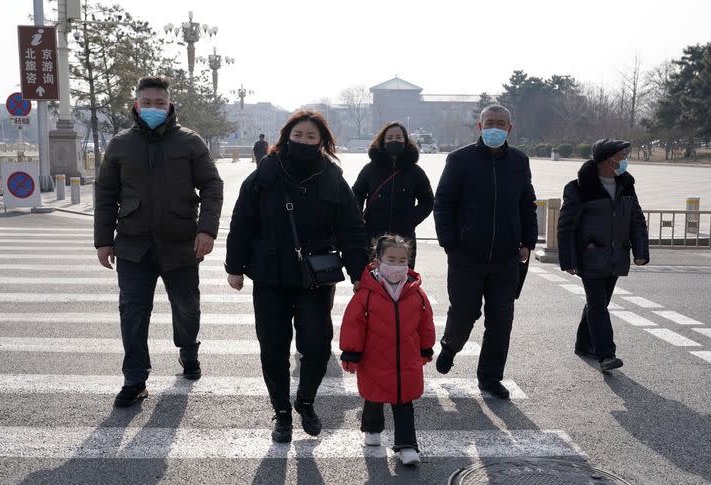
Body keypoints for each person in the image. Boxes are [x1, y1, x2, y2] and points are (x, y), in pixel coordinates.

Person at [225, 110, 368, 443]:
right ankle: (282, 412)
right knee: (273, 348)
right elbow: (242, 221)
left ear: (322, 142)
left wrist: (360, 271)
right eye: (298, 135)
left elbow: (352, 228)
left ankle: (305, 401)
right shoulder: (265, 173)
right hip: (270, 274)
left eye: (311, 137)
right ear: (286, 136)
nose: (304, 141)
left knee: (317, 347)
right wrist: (235, 267)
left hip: (315, 277)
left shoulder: (332, 177)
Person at [94, 75, 224, 407]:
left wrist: (206, 230)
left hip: (181, 243)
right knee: (133, 312)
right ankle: (135, 378)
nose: (154, 108)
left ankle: (188, 350)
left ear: (170, 106)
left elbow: (212, 186)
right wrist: (102, 241)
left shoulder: (190, 142)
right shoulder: (121, 144)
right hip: (133, 245)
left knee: (186, 306)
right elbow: (106, 194)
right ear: (137, 105)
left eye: (160, 103)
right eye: (147, 103)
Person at [432, 104, 538, 398]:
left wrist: (528, 242)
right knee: (465, 312)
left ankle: (490, 377)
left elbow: (527, 204)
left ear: (509, 129)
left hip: (506, 257)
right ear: (479, 126)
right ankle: (451, 346)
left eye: (501, 123)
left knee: (501, 318)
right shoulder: (460, 160)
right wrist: (450, 244)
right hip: (467, 255)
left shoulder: (519, 161)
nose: (495, 127)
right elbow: (442, 204)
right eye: (490, 122)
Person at [339, 234, 436, 466]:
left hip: (407, 360)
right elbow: (353, 324)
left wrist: (426, 347)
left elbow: (425, 322)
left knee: (404, 401)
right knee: (374, 396)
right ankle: (372, 429)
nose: (397, 265)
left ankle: (407, 445)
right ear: (378, 260)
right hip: (374, 358)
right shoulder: (367, 293)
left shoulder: (416, 293)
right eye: (391, 259)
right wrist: (351, 352)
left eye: (402, 260)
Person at [557, 138, 649, 372]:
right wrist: (569, 259)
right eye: (621, 156)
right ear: (607, 160)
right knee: (598, 305)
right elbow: (566, 225)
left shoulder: (626, 184)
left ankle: (583, 343)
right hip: (590, 256)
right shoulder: (579, 187)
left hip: (617, 255)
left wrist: (641, 252)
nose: (625, 160)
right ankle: (606, 355)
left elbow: (636, 219)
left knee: (599, 302)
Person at [352, 121, 434, 269]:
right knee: (373, 281)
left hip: (403, 239)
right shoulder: (370, 169)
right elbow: (356, 193)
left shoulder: (415, 171)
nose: (394, 140)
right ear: (382, 141)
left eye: (398, 137)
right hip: (373, 235)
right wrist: (359, 218)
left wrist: (411, 219)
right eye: (389, 138)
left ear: (405, 141)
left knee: (402, 280)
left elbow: (427, 201)